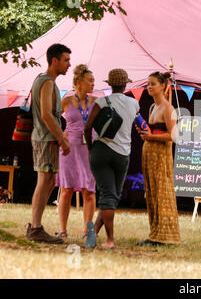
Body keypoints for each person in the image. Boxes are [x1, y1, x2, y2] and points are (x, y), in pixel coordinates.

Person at [84, 68, 140, 249]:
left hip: (101, 150)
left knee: (109, 196)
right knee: (112, 196)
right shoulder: (134, 103)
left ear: (110, 84)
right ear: (125, 84)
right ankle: (109, 240)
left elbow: (87, 128)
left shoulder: (101, 101)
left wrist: (91, 148)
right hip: (123, 154)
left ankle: (94, 232)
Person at [26, 43, 71, 244]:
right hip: (46, 139)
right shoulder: (47, 83)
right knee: (44, 181)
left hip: (44, 138)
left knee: (49, 181)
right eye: (66, 60)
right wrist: (62, 138)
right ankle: (35, 227)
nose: (69, 64)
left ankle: (37, 226)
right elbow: (46, 114)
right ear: (55, 61)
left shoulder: (43, 81)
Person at [136, 71, 181, 246]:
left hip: (162, 156)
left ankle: (165, 235)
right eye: (148, 83)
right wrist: (145, 134)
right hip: (150, 153)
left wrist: (152, 138)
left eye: (153, 83)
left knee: (162, 193)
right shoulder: (152, 108)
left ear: (163, 86)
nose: (149, 86)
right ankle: (154, 232)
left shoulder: (169, 109)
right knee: (152, 194)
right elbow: (153, 132)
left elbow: (173, 136)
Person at [55, 64, 96, 241]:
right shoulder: (66, 101)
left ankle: (88, 231)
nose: (93, 84)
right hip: (69, 149)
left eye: (93, 81)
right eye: (90, 81)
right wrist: (61, 139)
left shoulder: (96, 102)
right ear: (79, 82)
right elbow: (54, 121)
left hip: (89, 149)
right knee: (66, 190)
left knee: (89, 191)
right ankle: (63, 230)